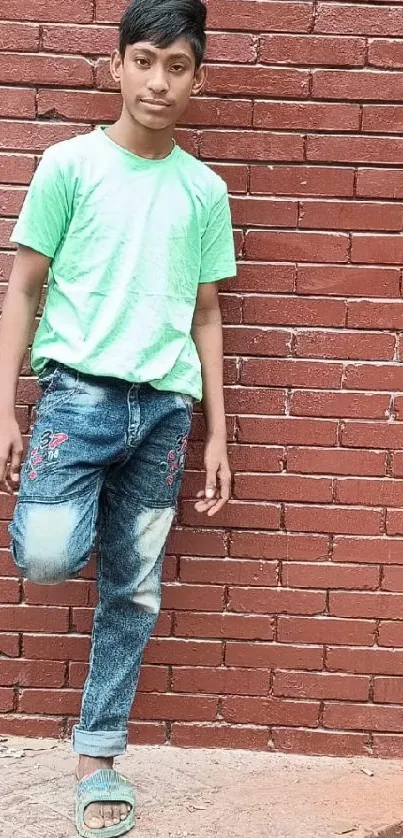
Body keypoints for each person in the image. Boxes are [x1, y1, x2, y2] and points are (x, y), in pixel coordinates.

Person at [0, 0, 236, 834]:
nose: (158, 81)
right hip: (77, 399)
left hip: (165, 412)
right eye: (144, 60)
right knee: (48, 555)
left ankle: (99, 756)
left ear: (197, 79)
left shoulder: (204, 190)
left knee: (132, 593)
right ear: (117, 67)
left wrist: (217, 432)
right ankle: (86, 508)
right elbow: (23, 289)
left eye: (177, 66)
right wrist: (5, 409)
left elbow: (206, 313)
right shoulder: (69, 167)